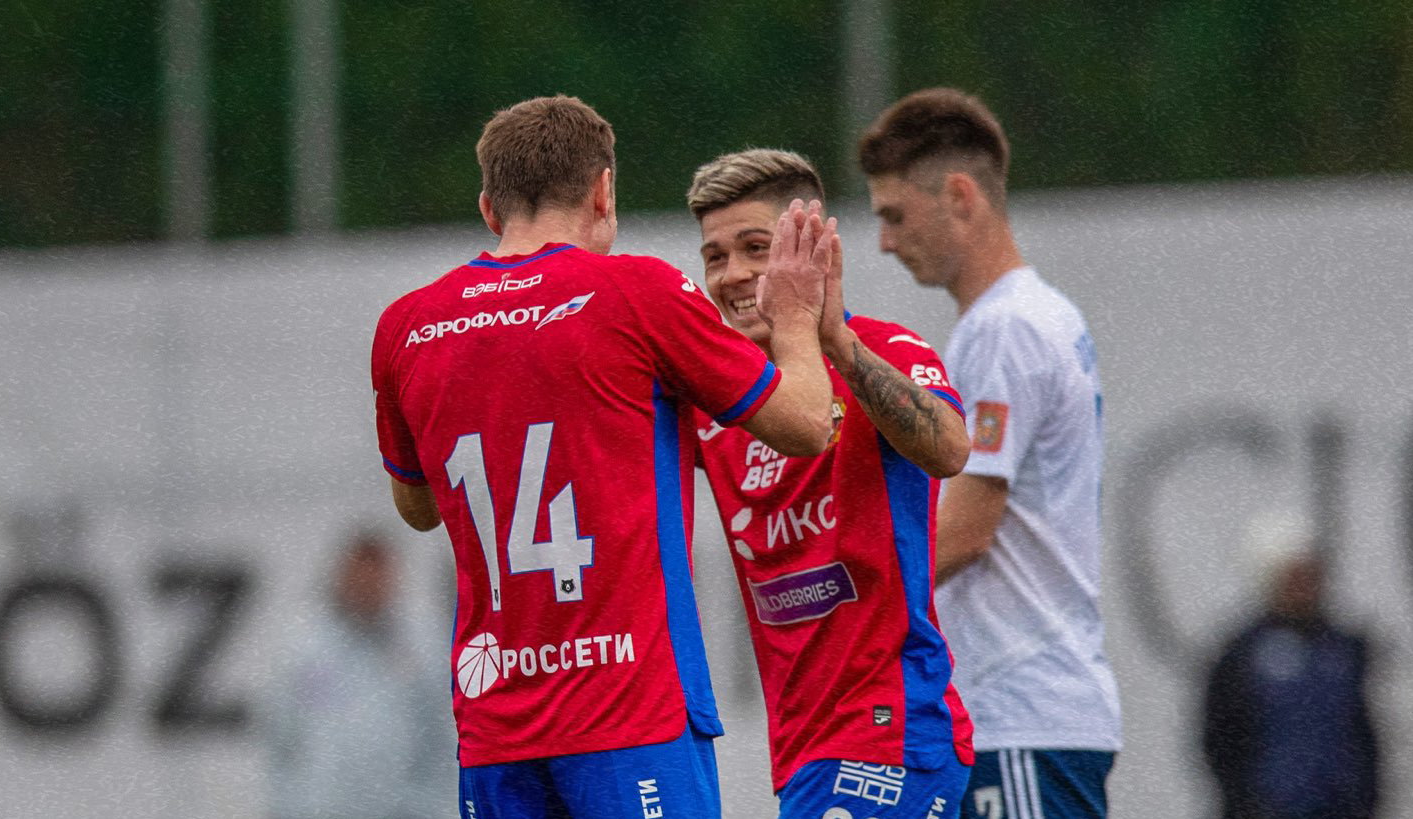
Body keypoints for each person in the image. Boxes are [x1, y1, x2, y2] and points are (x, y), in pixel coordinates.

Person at [370, 95, 837, 819]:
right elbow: (808, 423)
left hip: (496, 728)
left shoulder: (407, 326)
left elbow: (418, 506)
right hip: (632, 713)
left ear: (490, 208)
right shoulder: (635, 292)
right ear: (603, 191)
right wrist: (800, 316)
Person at [685, 148, 975, 818]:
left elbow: (952, 449)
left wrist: (835, 339)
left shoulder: (882, 349)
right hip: (805, 751)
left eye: (757, 247)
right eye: (714, 256)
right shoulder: (711, 402)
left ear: (812, 246)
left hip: (889, 732)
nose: (733, 275)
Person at [858, 88, 1122, 819]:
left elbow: (967, 528)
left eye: (894, 214)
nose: (883, 239)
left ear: (961, 195)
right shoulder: (1042, 313)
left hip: (1019, 705)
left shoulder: (1002, 329)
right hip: (1035, 705)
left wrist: (839, 600)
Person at [264, 532, 454, 819]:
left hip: (404, 810)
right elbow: (281, 738)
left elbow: (441, 737)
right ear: (341, 575)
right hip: (323, 810)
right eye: (359, 573)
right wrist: (290, 804)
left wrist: (434, 806)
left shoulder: (421, 645)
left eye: (377, 574)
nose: (367, 584)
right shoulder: (306, 648)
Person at [1201, 516, 1380, 819]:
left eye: (1311, 576)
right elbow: (1220, 738)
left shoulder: (1346, 648)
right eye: (1294, 577)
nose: (1304, 587)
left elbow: (1363, 731)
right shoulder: (1241, 654)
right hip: (1271, 805)